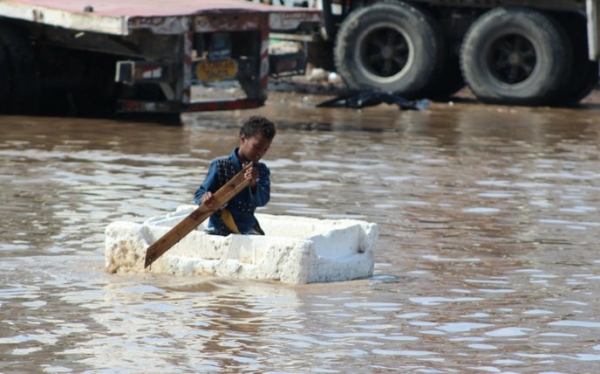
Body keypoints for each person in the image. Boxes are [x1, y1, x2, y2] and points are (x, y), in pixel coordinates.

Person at [193, 115, 276, 236]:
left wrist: (253, 184)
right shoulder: (220, 165)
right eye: (257, 147)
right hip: (219, 230)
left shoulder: (261, 171)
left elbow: (262, 201)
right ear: (243, 139)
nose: (260, 153)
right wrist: (205, 198)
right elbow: (199, 194)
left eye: (265, 149)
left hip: (247, 229)